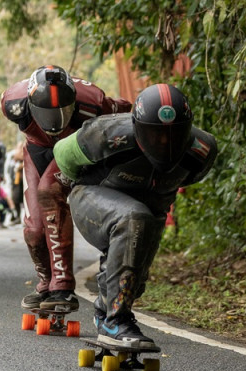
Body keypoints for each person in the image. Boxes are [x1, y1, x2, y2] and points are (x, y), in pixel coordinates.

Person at [53, 84, 217, 349]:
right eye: (155, 135)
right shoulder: (106, 133)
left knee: (132, 282)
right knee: (132, 218)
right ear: (138, 127)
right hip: (91, 196)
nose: (165, 144)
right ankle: (116, 322)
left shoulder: (202, 151)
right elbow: (62, 154)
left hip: (151, 208)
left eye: (174, 136)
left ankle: (105, 312)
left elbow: (190, 177)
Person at [1, 65, 132, 312]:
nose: (55, 121)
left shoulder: (93, 102)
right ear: (30, 105)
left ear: (74, 103)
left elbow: (126, 111)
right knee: (34, 230)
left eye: (63, 112)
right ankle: (45, 283)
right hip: (37, 151)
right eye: (47, 114)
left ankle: (62, 286)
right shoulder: (13, 102)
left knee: (49, 192)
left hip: (73, 149)